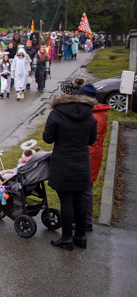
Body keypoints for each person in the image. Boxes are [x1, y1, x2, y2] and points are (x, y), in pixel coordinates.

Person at [43, 79, 97, 250]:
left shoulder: (57, 113)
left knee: (66, 202)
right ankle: (80, 237)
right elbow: (92, 139)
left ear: (63, 93)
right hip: (82, 162)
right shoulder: (89, 114)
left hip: (63, 163)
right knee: (79, 200)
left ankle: (66, 238)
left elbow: (48, 138)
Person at [79, 82, 110, 233]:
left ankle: (86, 221)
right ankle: (84, 220)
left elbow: (91, 142)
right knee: (85, 190)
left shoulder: (95, 117)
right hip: (91, 157)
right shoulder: (97, 113)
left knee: (85, 191)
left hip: (89, 158)